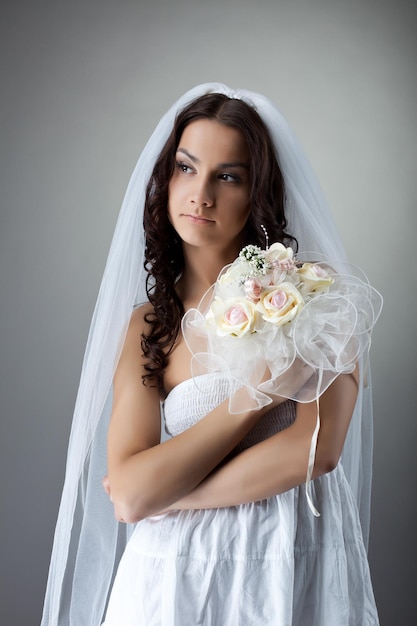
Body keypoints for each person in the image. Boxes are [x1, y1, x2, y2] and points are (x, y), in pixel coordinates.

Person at [41, 84, 380, 625]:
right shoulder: (146, 326)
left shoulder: (318, 296)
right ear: (165, 178)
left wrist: (174, 499)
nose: (201, 195)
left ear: (258, 191)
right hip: (175, 574)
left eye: (228, 176)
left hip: (290, 556)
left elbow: (316, 452)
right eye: (186, 168)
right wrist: (258, 394)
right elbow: (128, 492)